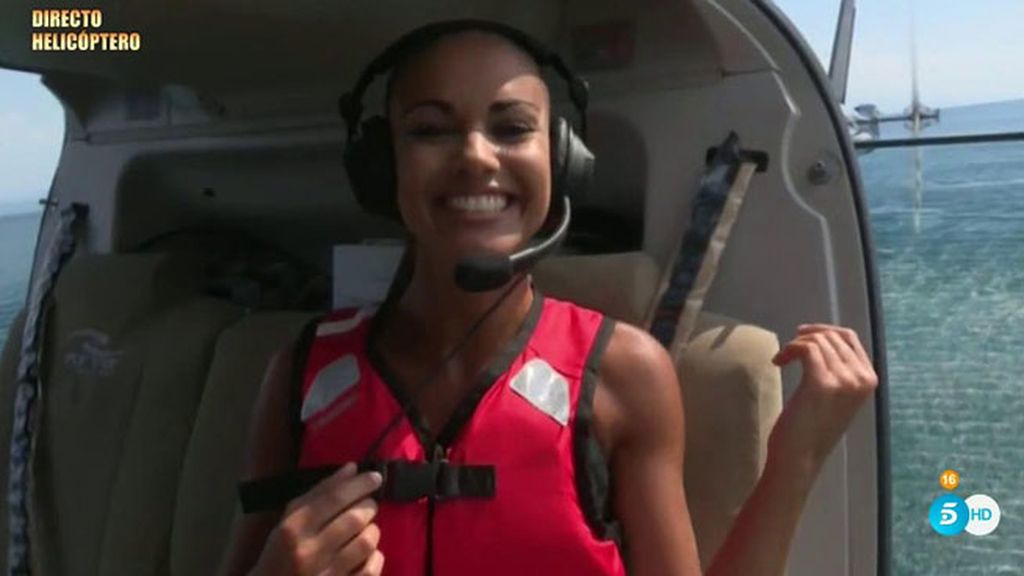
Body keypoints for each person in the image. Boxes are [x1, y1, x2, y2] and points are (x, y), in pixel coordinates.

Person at [219, 21, 879, 576]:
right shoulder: (300, 372)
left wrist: (800, 450)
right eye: (430, 129)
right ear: (381, 167)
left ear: (561, 160)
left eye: (511, 128)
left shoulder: (628, 374)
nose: (477, 156)